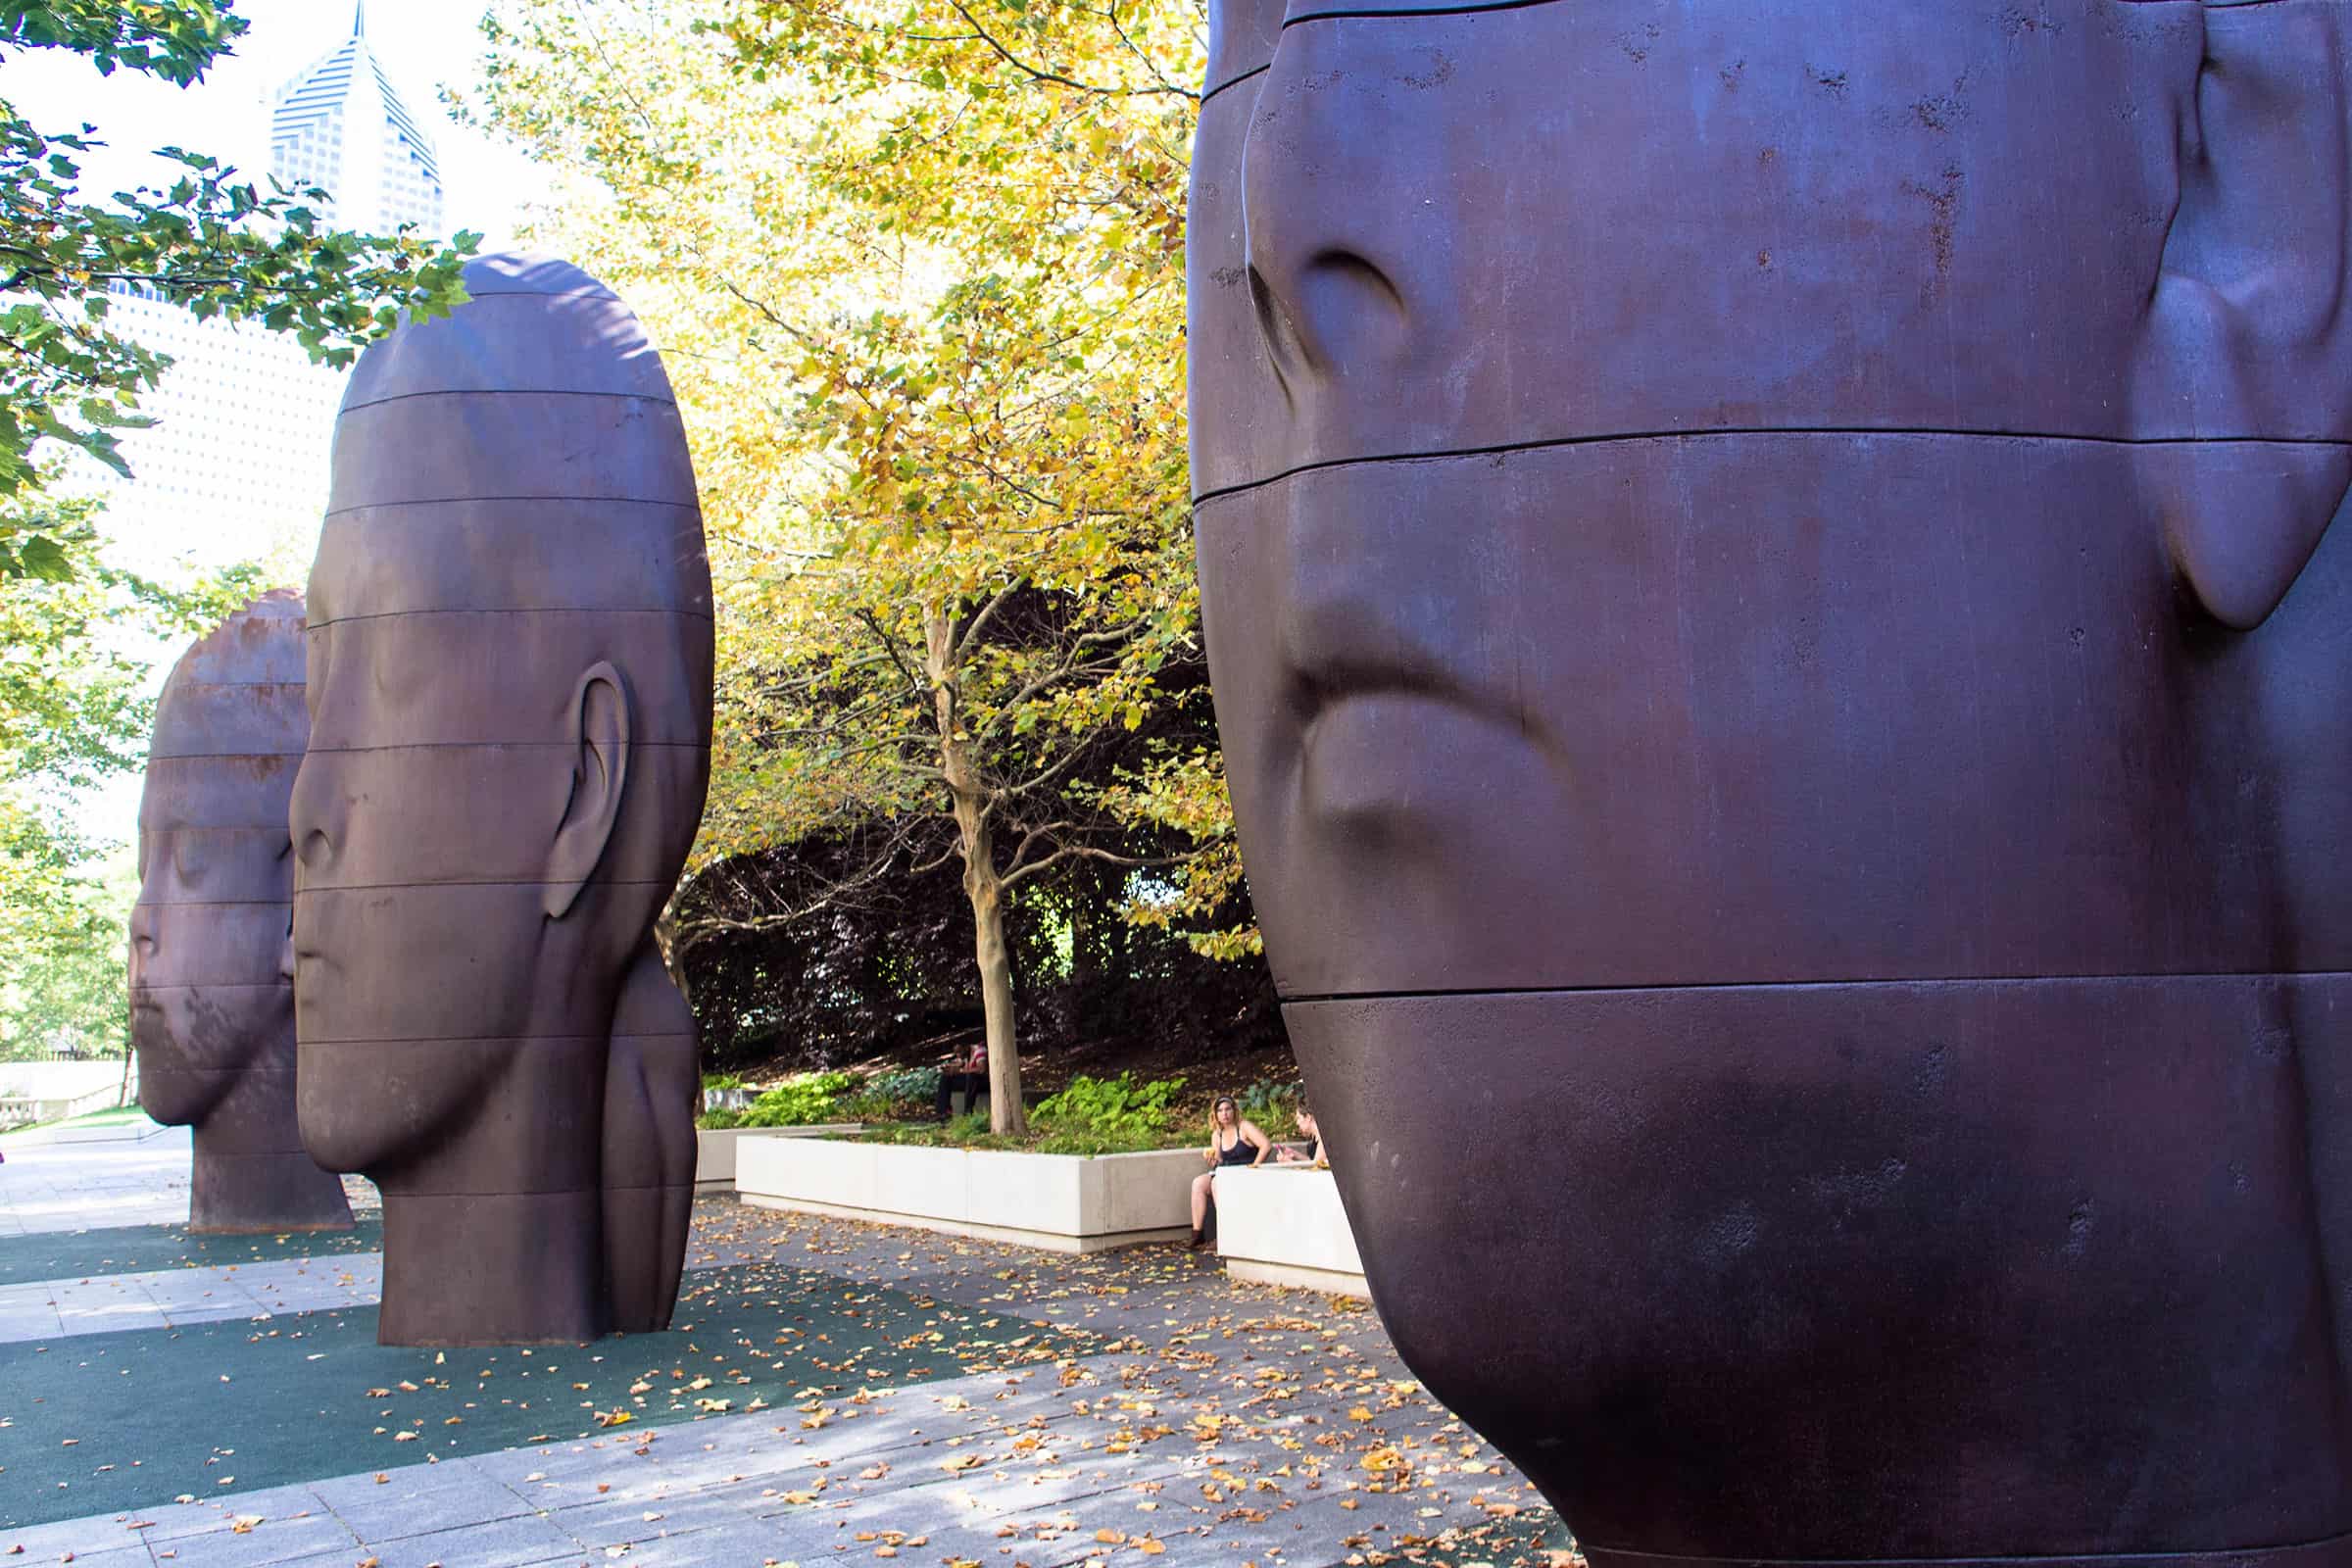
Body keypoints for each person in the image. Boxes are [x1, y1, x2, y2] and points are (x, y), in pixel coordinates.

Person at [1189, 1095, 1269, 1249]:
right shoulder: (1217, 1134)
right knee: (1198, 1183)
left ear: (1234, 1111)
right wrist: (1213, 1161)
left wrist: (1255, 1166)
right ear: (1216, 1115)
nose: (1224, 1114)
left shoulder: (1244, 1127)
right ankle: (1197, 1234)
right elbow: (1219, 1161)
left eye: (1227, 1109)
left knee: (1217, 1183)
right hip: (1226, 1172)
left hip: (1245, 1171)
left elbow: (1266, 1145)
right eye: (1220, 1111)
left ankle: (1225, 1234)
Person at [935, 1040, 988, 1121]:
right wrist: (948, 1067)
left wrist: (960, 1070)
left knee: (971, 1076)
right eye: (956, 1052)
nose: (958, 1055)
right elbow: (958, 1064)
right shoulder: (965, 1055)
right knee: (946, 1077)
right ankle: (943, 1112)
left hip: (984, 1081)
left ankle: (968, 1112)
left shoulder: (979, 1050)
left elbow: (982, 1069)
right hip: (970, 1083)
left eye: (959, 1052)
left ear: (966, 1047)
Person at [1273, 1104, 1324, 1169]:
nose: (1297, 1123)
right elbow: (1312, 1161)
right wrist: (1294, 1153)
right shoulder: (1315, 1137)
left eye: (1298, 1118)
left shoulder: (1323, 1140)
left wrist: (1289, 1163)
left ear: (1308, 1117)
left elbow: (1316, 1169)